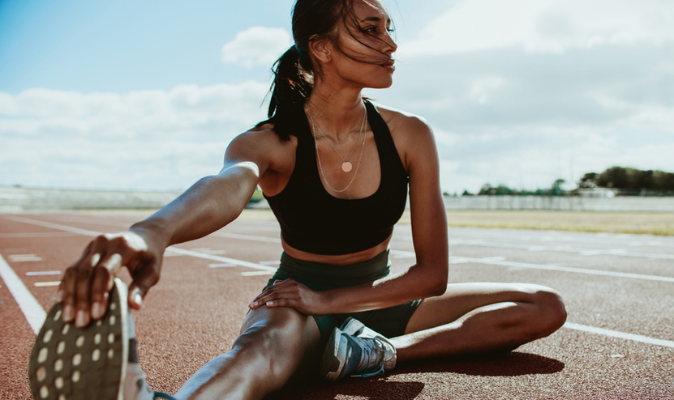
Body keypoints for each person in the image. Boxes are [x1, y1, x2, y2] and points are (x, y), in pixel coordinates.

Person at [28, 0, 567, 399]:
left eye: (389, 28)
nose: (392, 44)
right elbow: (227, 186)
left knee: (542, 305)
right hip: (294, 304)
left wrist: (332, 306)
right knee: (255, 354)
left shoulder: (411, 136)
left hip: (383, 303)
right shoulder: (269, 143)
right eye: (370, 29)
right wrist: (153, 231)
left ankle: (370, 355)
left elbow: (433, 276)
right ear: (322, 48)